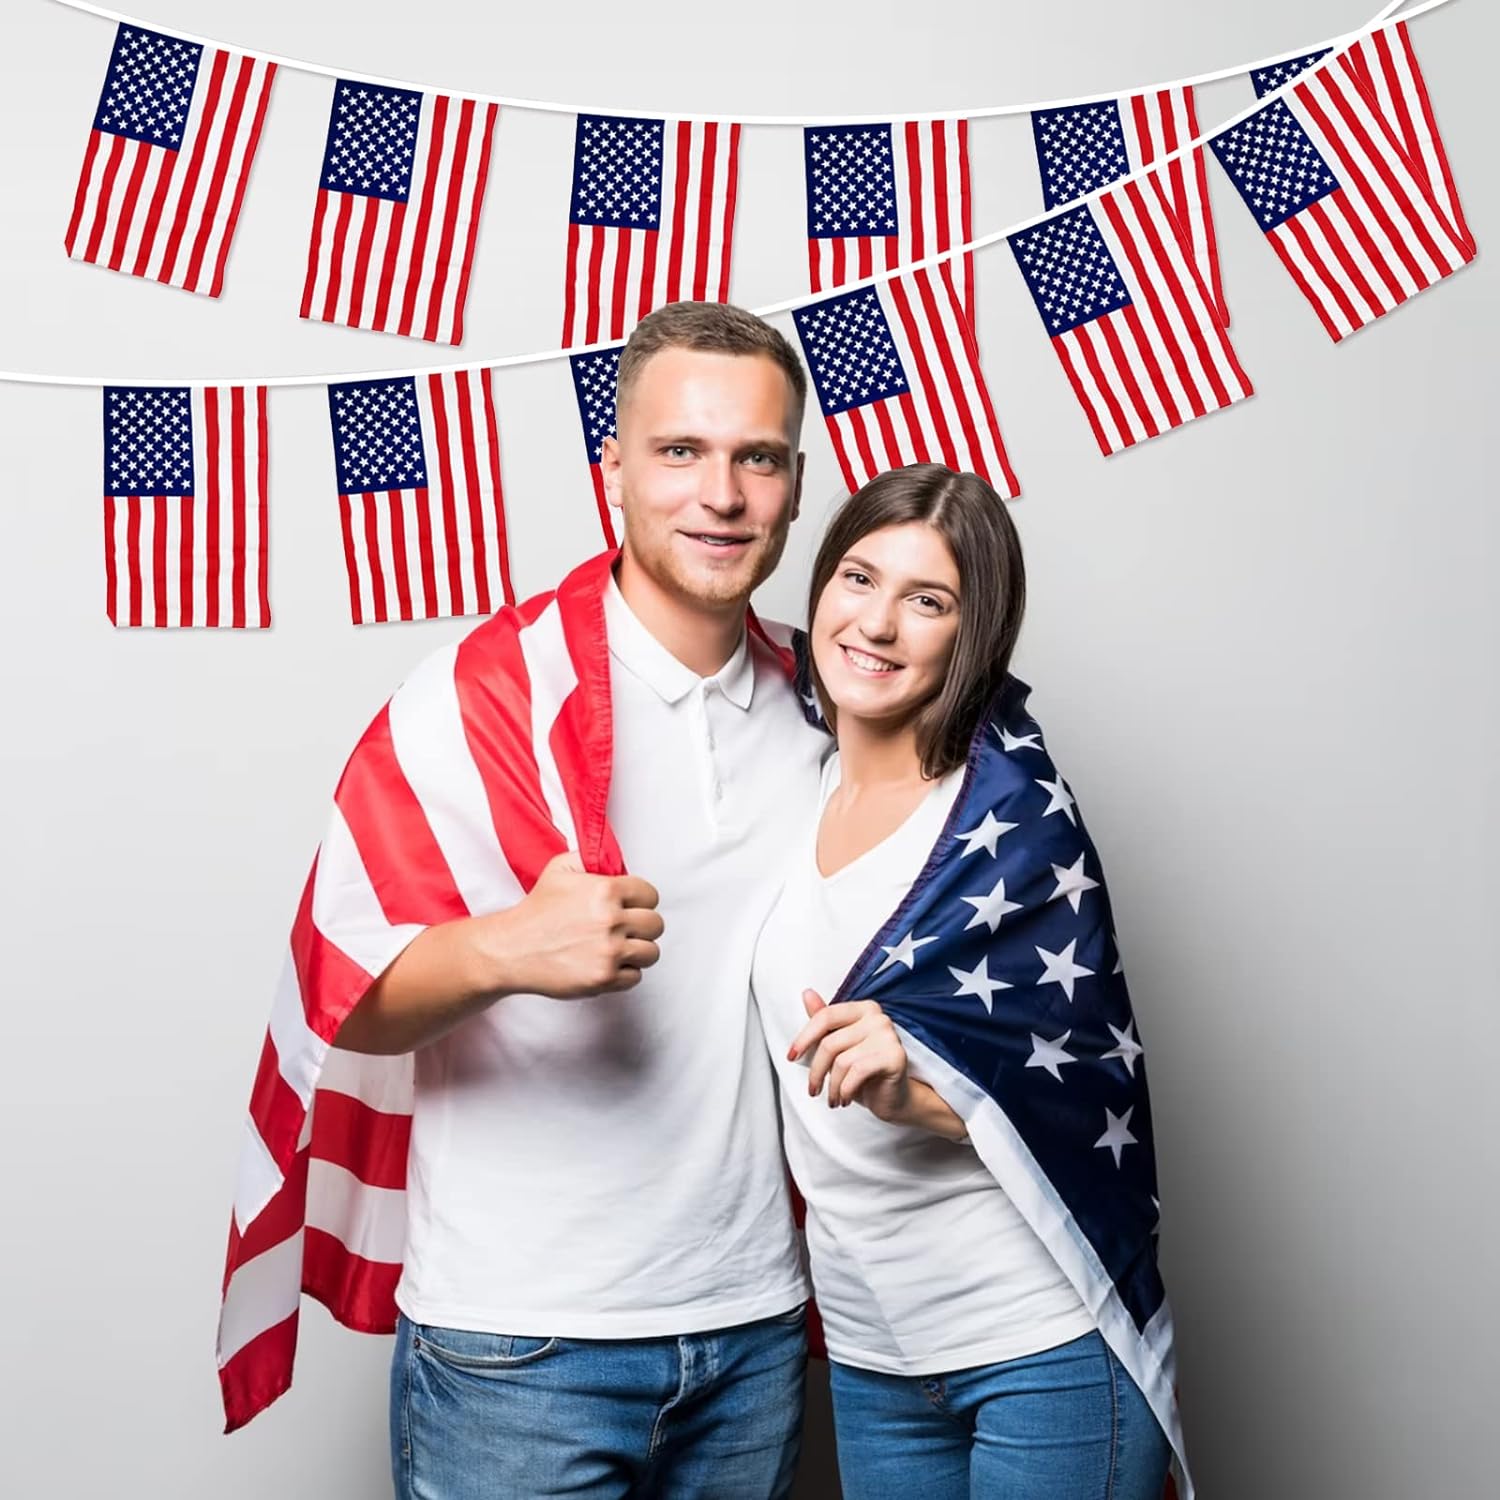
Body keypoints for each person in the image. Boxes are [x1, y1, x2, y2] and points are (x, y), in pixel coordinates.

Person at [222, 301, 831, 1498]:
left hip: (753, 1327)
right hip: (522, 1346)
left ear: (796, 485)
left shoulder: (830, 702)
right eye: (680, 451)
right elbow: (341, 999)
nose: (720, 494)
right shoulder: (476, 698)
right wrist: (506, 948)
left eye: (756, 457)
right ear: (615, 471)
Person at [750, 463, 1187, 1500]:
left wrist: (915, 1087)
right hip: (872, 1359)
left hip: (1040, 1345)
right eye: (859, 578)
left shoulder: (1012, 823)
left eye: (928, 601)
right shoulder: (789, 785)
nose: (877, 623)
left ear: (973, 633)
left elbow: (1081, 1084)